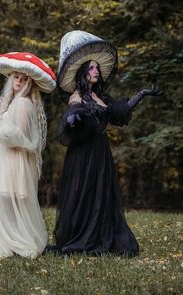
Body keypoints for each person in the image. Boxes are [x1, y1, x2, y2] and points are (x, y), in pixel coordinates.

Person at [51, 30, 162, 257]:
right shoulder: (76, 97)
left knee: (102, 195)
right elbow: (71, 120)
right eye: (91, 68)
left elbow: (118, 112)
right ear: (83, 72)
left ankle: (103, 237)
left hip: (101, 153)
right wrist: (73, 119)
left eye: (96, 68)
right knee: (83, 194)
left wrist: (141, 94)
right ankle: (80, 238)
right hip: (83, 154)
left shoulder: (101, 97)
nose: (96, 71)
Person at [0, 52, 56, 258]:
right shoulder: (16, 103)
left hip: (15, 162)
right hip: (8, 160)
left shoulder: (24, 103)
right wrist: (4, 108)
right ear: (11, 79)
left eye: (24, 79)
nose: (20, 81)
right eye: (17, 77)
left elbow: (18, 136)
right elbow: (12, 128)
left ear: (29, 84)